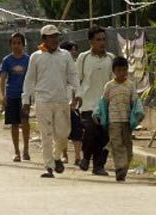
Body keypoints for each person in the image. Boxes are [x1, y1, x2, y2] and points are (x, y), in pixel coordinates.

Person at [22, 24, 79, 178]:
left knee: (63, 133)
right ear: (44, 39)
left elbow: (73, 75)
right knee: (46, 134)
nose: (54, 39)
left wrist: (77, 92)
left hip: (61, 99)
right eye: (51, 36)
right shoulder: (36, 56)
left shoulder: (65, 55)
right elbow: (29, 79)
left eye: (56, 36)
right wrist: (26, 100)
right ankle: (48, 166)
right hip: (43, 100)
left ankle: (56, 155)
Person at [93, 56, 145, 182]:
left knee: (127, 146)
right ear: (114, 71)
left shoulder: (130, 86)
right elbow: (103, 102)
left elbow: (136, 102)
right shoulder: (109, 86)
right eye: (119, 70)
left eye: (124, 70)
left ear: (127, 70)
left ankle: (123, 170)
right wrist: (97, 114)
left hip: (127, 121)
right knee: (117, 144)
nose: (122, 73)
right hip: (113, 121)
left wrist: (139, 115)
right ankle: (119, 168)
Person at [75, 26, 114, 176]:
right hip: (87, 104)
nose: (102, 43)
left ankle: (99, 166)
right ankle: (86, 157)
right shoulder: (83, 58)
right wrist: (75, 97)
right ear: (91, 41)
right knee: (90, 130)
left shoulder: (111, 58)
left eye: (104, 39)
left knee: (104, 137)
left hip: (106, 105)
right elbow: (76, 79)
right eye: (98, 40)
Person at [0, 32, 30, 162]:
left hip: (25, 96)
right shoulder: (7, 60)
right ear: (10, 45)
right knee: (14, 124)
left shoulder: (28, 59)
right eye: (14, 43)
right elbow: (3, 79)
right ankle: (16, 151)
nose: (16, 45)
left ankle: (26, 150)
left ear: (23, 44)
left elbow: (32, 77)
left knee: (25, 121)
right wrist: (3, 95)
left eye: (19, 43)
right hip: (11, 94)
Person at [59, 40, 83, 166]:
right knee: (62, 131)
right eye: (71, 50)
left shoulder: (77, 65)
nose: (73, 52)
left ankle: (78, 156)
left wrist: (75, 99)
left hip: (74, 103)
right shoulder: (58, 66)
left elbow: (77, 84)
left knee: (77, 130)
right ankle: (64, 155)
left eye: (75, 49)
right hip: (61, 102)